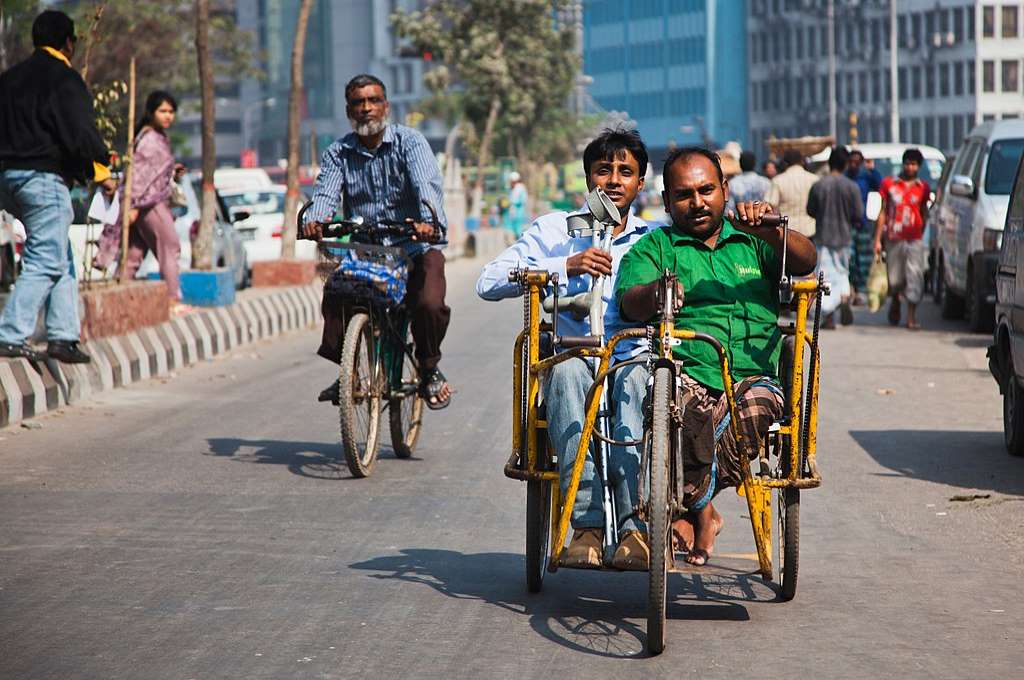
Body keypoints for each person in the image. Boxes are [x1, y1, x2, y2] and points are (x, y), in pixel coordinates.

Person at [616, 147, 816, 566]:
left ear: (724, 189)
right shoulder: (656, 247)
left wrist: (773, 230)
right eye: (684, 194)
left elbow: (806, 260)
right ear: (668, 201)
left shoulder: (753, 240)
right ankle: (702, 512)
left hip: (751, 377)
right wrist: (655, 294)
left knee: (757, 408)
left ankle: (693, 508)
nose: (698, 202)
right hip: (685, 369)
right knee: (672, 409)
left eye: (706, 190)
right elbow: (629, 302)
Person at [477, 128, 653, 570]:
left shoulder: (653, 239)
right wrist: (563, 265)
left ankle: (632, 527)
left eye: (625, 172)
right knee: (570, 374)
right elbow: (488, 282)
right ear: (588, 178)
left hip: (632, 357)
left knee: (632, 384)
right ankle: (587, 525)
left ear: (639, 183)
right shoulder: (557, 229)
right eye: (603, 170)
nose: (613, 180)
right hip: (574, 354)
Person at [301, 74, 453, 409]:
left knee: (429, 304)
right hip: (366, 251)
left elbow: (427, 186)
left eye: (373, 101)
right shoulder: (338, 153)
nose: (366, 109)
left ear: (385, 106)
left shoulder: (410, 143)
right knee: (336, 292)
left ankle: (428, 369)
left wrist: (429, 224)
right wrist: (316, 221)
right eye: (359, 103)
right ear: (348, 110)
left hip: (414, 246)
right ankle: (349, 369)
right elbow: (325, 193)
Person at [0, 10, 115, 363]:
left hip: (8, 179)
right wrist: (100, 166)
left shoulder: (9, 80)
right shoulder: (64, 80)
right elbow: (79, 133)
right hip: (42, 181)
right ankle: (9, 334)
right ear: (69, 42)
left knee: (60, 256)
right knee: (45, 260)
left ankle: (64, 337)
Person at [94, 91, 185, 308]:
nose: (167, 116)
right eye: (163, 111)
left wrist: (172, 172)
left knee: (133, 254)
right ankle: (173, 300)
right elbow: (139, 178)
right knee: (170, 247)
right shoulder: (149, 139)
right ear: (151, 112)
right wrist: (132, 206)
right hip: (147, 204)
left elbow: (154, 172)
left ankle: (116, 303)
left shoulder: (155, 137)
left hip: (145, 203)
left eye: (171, 112)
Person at [806, 146, 863, 328]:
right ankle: (844, 296)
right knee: (842, 272)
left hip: (823, 237)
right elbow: (858, 214)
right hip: (844, 237)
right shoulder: (851, 187)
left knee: (824, 277)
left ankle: (829, 316)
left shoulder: (819, 185)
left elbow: (811, 210)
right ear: (846, 164)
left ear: (829, 162)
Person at [874, 148, 930, 330]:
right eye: (907, 163)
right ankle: (896, 301)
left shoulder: (923, 188)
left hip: (914, 238)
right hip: (893, 237)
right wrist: (877, 239)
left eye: (914, 164)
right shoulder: (889, 184)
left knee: (914, 276)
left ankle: (911, 317)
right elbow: (882, 212)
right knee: (895, 279)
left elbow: (924, 212)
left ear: (918, 167)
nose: (910, 167)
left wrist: (923, 233)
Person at [845, 149, 882, 300]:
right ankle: (851, 287)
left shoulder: (865, 176)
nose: (854, 165)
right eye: (851, 162)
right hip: (847, 225)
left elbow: (880, 184)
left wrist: (872, 169)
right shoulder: (845, 177)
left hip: (863, 224)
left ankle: (861, 291)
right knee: (851, 259)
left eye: (856, 162)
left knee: (864, 259)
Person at [767, 148, 818, 238]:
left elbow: (771, 205)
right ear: (802, 161)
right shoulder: (814, 179)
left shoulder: (778, 180)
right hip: (810, 230)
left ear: (785, 163)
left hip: (787, 231)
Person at [504, 171, 528, 239]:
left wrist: (515, 202)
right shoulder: (511, 188)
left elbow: (523, 200)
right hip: (512, 213)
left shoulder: (521, 188)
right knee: (511, 230)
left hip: (519, 212)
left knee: (519, 230)